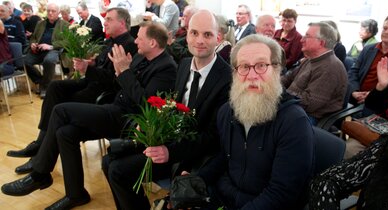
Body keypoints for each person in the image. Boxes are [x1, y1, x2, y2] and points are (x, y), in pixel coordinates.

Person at [1, 21, 177, 210]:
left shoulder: (166, 68)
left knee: (60, 110)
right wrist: (116, 71)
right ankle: (75, 195)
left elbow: (146, 105)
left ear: (152, 43)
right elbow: (119, 84)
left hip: (129, 121)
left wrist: (124, 71)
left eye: (140, 38)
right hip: (115, 108)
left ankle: (40, 174)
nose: (135, 41)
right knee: (65, 133)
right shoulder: (142, 58)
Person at [102, 9, 232, 210]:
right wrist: (149, 126)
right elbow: (172, 108)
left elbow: (212, 137)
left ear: (218, 37)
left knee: (119, 170)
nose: (199, 40)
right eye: (194, 33)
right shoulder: (184, 64)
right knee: (107, 161)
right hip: (170, 139)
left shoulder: (226, 78)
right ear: (186, 34)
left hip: (194, 155)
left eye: (207, 34)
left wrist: (169, 151)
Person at [6, 7, 138, 175]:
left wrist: (88, 69)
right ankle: (40, 142)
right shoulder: (110, 42)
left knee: (60, 107)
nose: (105, 22)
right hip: (92, 83)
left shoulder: (127, 45)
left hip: (103, 93)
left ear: (121, 22)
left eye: (109, 19)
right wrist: (90, 64)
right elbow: (102, 66)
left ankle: (40, 156)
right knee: (55, 87)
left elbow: (113, 80)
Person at [196, 34, 314, 209]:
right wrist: (197, 180)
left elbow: (281, 194)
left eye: (260, 66)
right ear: (235, 72)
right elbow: (226, 157)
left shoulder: (294, 122)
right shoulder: (227, 112)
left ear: (276, 69)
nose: (252, 75)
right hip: (225, 198)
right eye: (243, 66)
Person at [281, 22, 347, 125]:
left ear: (321, 43)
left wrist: (281, 94)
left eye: (307, 36)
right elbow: (288, 78)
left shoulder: (330, 67)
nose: (301, 40)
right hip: (294, 107)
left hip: (311, 117)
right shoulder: (312, 59)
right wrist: (270, 85)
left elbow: (309, 103)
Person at [349, 13, 388, 105]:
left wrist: (373, 95)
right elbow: (353, 71)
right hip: (355, 97)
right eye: (385, 28)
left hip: (380, 103)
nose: (386, 32)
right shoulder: (368, 49)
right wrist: (354, 91)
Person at [23, 3, 69, 99]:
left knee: (48, 61)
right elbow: (33, 37)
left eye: (53, 11)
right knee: (26, 61)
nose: (50, 13)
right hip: (38, 50)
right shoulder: (40, 23)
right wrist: (33, 43)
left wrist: (51, 46)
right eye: (48, 11)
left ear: (58, 13)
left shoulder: (65, 25)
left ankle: (45, 87)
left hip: (54, 50)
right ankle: (41, 81)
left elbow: (67, 41)